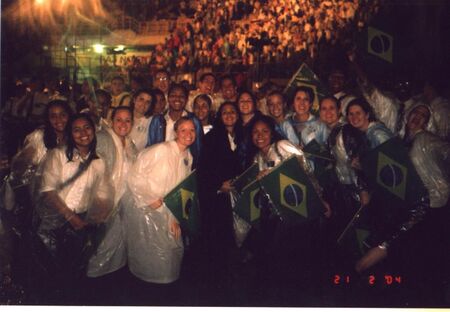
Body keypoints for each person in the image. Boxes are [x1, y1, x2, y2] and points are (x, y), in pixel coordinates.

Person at [355, 104, 450, 296]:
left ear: (427, 122)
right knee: (405, 250)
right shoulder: (400, 139)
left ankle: (356, 271)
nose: (418, 116)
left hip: (424, 204)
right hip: (403, 201)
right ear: (408, 115)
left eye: (424, 115)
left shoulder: (426, 139)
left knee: (392, 241)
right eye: (416, 111)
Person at [33, 113, 113, 302]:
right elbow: (48, 191)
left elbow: (102, 192)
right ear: (70, 133)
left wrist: (99, 213)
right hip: (56, 222)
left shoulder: (99, 161)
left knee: (76, 270)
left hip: (82, 221)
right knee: (53, 270)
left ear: (94, 130)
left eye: (87, 128)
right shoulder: (58, 155)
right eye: (76, 130)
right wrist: (71, 218)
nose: (83, 133)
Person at [124, 117, 196, 284]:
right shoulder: (160, 150)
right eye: (183, 129)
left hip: (167, 213)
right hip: (146, 211)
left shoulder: (187, 156)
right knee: (148, 256)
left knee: (168, 258)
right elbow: (134, 176)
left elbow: (181, 190)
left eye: (192, 130)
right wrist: (149, 199)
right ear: (176, 132)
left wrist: (175, 217)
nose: (188, 134)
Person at [87, 106, 138, 278]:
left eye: (127, 120)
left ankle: (111, 280)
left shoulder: (130, 144)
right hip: (103, 202)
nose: (123, 124)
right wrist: (101, 201)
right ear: (111, 121)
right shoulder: (103, 138)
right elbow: (94, 172)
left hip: (121, 202)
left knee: (116, 245)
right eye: (119, 119)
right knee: (100, 246)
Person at [197, 101, 243, 280]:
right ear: (219, 116)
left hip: (237, 192)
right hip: (217, 195)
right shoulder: (212, 137)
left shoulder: (243, 135)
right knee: (217, 236)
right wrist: (218, 184)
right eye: (225, 112)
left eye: (233, 111)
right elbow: (203, 168)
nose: (229, 115)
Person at [147, 84, 203, 168]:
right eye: (173, 95)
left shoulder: (194, 120)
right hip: (160, 167)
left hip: (185, 167)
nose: (177, 98)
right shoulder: (157, 120)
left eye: (181, 96)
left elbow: (198, 149)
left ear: (186, 99)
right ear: (168, 98)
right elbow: (150, 147)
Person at [236, 90, 263, 170]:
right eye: (242, 101)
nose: (245, 103)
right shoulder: (235, 124)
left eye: (248, 100)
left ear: (254, 104)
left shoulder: (264, 122)